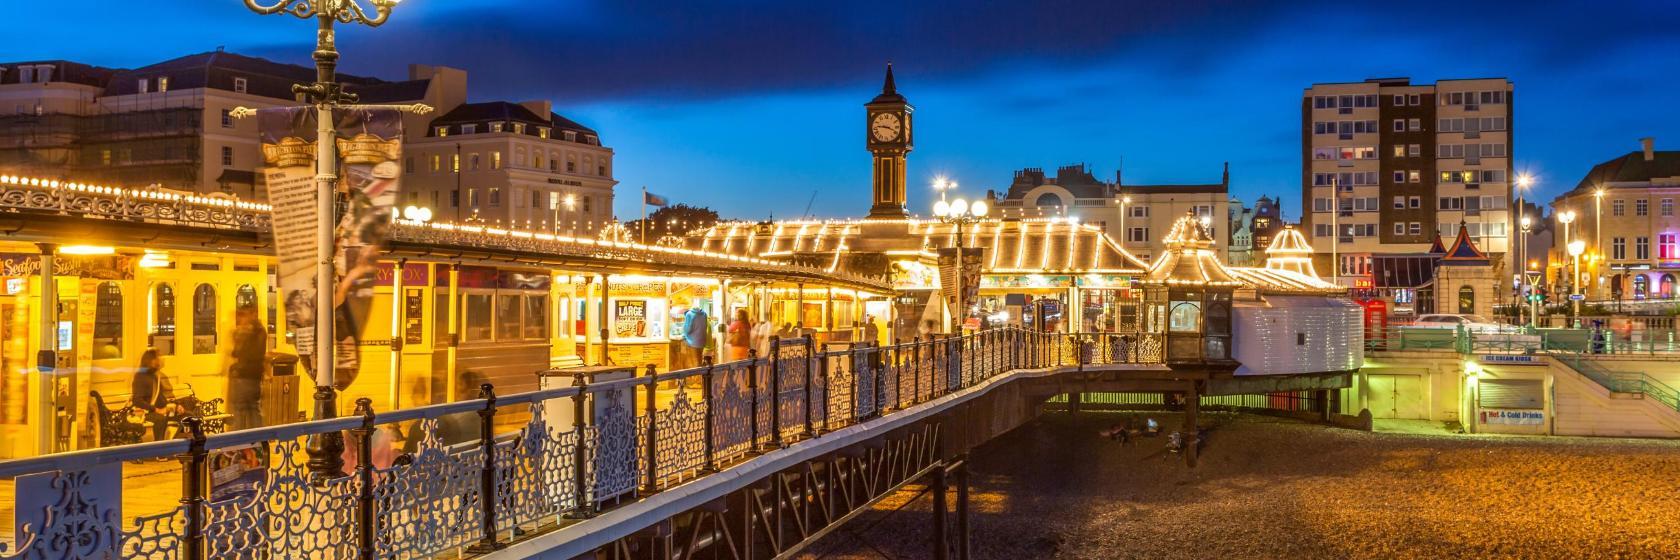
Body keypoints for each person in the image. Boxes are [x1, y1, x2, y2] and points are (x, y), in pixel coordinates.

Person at [227, 306, 268, 430]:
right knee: (252, 410)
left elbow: (240, 353)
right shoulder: (259, 331)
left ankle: (238, 442)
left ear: (252, 314)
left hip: (245, 377)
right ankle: (257, 441)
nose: (241, 319)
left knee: (241, 410)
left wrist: (238, 338)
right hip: (253, 377)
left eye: (244, 315)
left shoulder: (252, 332)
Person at [131, 350, 183, 441]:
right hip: (148, 413)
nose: (161, 359)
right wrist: (156, 409)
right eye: (158, 357)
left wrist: (176, 405)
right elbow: (137, 400)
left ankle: (179, 446)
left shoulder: (154, 376)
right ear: (151, 360)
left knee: (187, 416)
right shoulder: (140, 376)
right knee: (160, 419)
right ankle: (160, 449)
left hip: (161, 410)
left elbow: (161, 398)